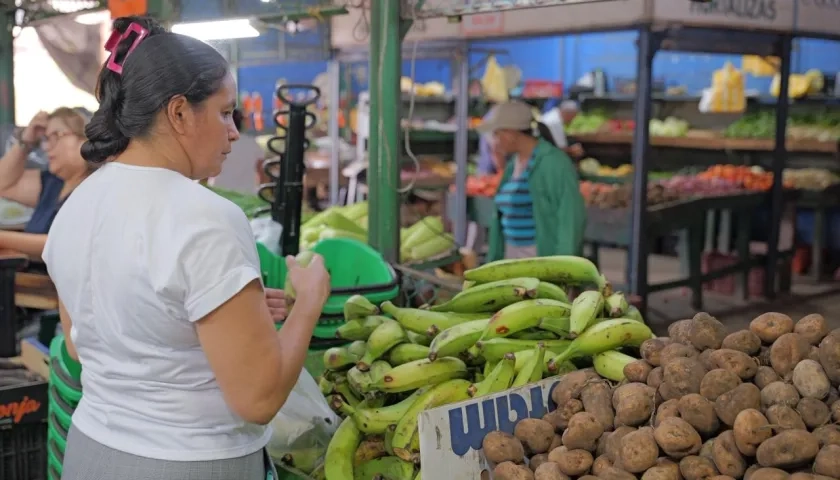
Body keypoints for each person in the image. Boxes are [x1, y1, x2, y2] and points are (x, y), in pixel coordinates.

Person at [42, 16, 330, 480]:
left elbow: (82, 345)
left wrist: (230, 318)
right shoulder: (206, 217)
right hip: (190, 463)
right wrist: (309, 303)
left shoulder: (79, 203)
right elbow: (258, 399)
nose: (235, 131)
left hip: (91, 451)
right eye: (223, 112)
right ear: (178, 113)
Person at [478, 100, 586, 261]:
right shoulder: (513, 164)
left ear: (511, 133)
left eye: (497, 134)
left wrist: (564, 268)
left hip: (539, 258)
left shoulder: (554, 163)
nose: (495, 141)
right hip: (512, 255)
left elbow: (570, 218)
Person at [0, 108, 91, 260]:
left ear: (85, 138)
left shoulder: (95, 186)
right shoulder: (52, 183)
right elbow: (3, 184)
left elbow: (66, 243)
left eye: (56, 136)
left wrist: (2, 238)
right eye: (45, 139)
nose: (46, 147)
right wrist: (26, 142)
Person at [209, 108, 265, 192]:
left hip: (219, 193)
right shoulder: (252, 143)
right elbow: (262, 172)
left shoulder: (215, 143)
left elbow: (203, 172)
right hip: (246, 196)